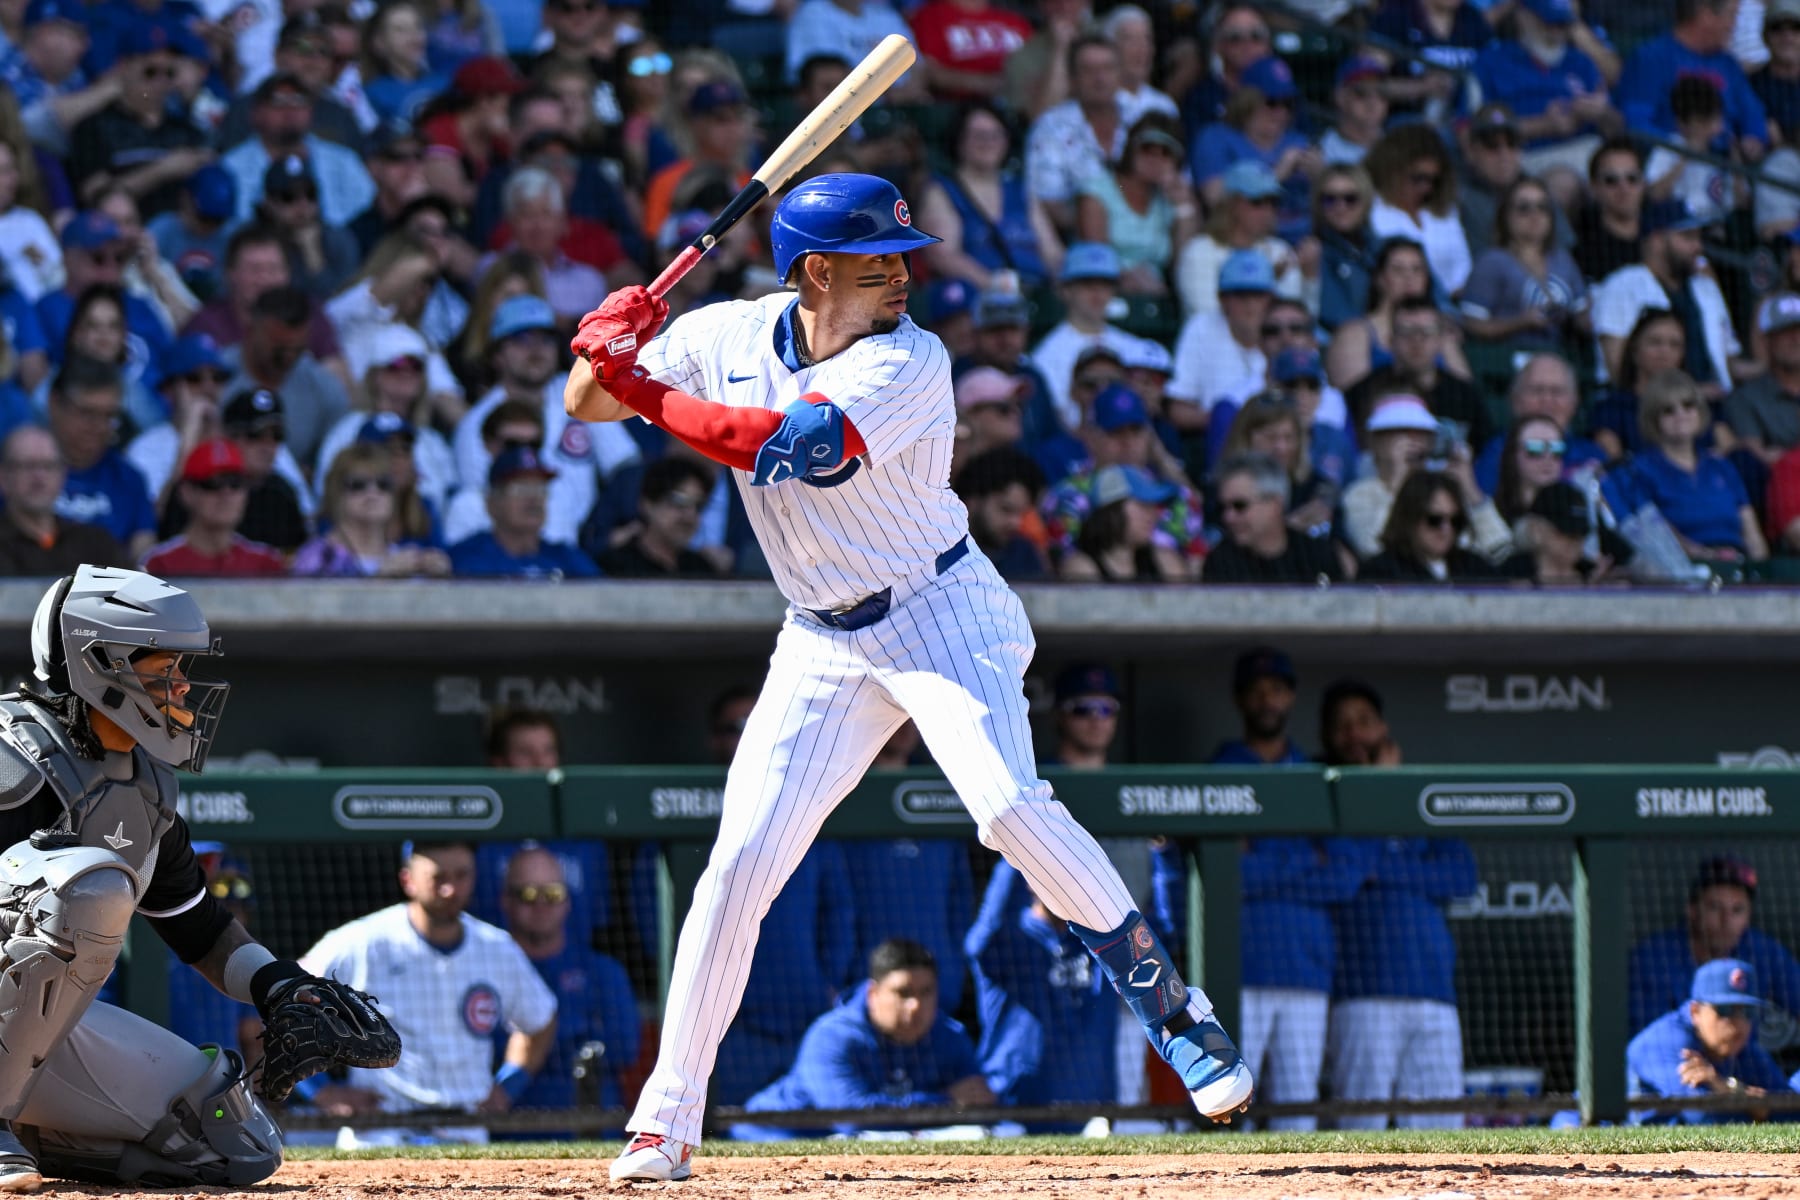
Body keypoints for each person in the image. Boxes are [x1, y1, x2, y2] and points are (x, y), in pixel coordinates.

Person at [568, 173, 1253, 1182]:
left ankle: (1174, 1012)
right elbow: (584, 402)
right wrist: (609, 339)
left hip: (941, 610)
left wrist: (631, 381)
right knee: (737, 867)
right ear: (815, 272)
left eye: (900, 255)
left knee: (1009, 808)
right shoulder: (724, 335)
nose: (900, 273)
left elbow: (782, 449)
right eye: (876, 259)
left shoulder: (912, 358)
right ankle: (664, 1120)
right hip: (820, 638)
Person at [0, 565, 399, 1187]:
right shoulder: (11, 754)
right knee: (87, 886)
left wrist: (279, 986)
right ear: (101, 664)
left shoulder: (142, 785)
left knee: (229, 1140)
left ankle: (28, 1133)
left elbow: (200, 927)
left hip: (24, 1035)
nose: (183, 686)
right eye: (166, 668)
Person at [299, 841, 556, 1143]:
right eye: (438, 878)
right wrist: (322, 1092)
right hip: (381, 1131)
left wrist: (507, 1087)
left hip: (465, 1131)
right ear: (408, 880)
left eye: (461, 875)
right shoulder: (363, 942)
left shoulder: (496, 947)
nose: (451, 889)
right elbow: (283, 1001)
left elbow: (540, 1020)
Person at [739, 940, 990, 1135]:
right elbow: (851, 1118)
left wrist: (963, 1104)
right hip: (768, 1139)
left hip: (851, 1158)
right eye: (903, 992)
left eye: (926, 992)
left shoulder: (949, 1036)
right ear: (873, 993)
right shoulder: (830, 1036)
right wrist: (947, 1102)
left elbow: (983, 1103)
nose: (915, 1005)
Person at [1328, 831, 1478, 1129]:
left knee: (1440, 1123)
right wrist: (1418, 870)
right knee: (1361, 1122)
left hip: (1433, 992)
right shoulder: (1349, 822)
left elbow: (1462, 877)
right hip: (1364, 991)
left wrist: (1382, 871)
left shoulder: (1428, 823)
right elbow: (1345, 871)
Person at [965, 863, 1118, 1111]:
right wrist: (1013, 851)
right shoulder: (1007, 940)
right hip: (1012, 1111)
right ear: (1029, 880)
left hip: (1092, 1110)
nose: (1060, 884)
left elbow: (1162, 935)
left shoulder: (1104, 941)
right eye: (1049, 871)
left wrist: (1164, 856)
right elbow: (978, 944)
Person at [498, 846, 640, 1114]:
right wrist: (576, 1033)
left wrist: (536, 1043)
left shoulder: (603, 971)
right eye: (528, 894)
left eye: (553, 894)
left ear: (568, 902)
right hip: (510, 1118)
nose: (541, 905)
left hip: (591, 1118)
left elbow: (624, 1048)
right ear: (506, 900)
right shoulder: (489, 970)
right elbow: (486, 1048)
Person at [1605, 370, 1768, 563]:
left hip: (1737, 565)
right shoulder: (1639, 470)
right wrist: (1707, 556)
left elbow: (1752, 533)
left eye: (1688, 405)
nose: (1681, 414)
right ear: (1653, 418)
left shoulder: (1722, 467)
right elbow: (1655, 531)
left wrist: (1759, 568)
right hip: (1678, 570)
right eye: (1668, 410)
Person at [1628, 856, 1800, 1038]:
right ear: (1692, 911)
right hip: (1676, 1053)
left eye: (1737, 910)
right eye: (1715, 908)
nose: (1726, 921)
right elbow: (1649, 1038)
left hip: (1743, 1054)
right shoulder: (1652, 959)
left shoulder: (1762, 951)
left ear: (1749, 915)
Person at [1595, 201, 1750, 398]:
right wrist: (1691, 393)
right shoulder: (1622, 285)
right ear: (1657, 240)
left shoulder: (1706, 287)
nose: (1698, 246)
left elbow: (1728, 364)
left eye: (1698, 237)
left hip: (1714, 401)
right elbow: (1617, 369)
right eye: (1687, 237)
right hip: (1645, 405)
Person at [1472, 0, 1620, 204]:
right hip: (1527, 156)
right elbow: (1474, 130)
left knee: (1620, 176)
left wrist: (1602, 114)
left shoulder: (1581, 61)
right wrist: (1543, 125)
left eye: (1562, 24)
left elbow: (1617, 128)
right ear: (1523, 18)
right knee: (1563, 183)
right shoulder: (1492, 61)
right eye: (1549, 23)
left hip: (1587, 149)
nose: (1557, 32)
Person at [1627, 959, 1792, 1124]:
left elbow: (1792, 1112)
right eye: (1725, 1010)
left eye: (1748, 1011)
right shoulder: (1664, 1042)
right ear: (1695, 1012)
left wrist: (1727, 1088)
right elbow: (1705, 1119)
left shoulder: (1740, 1046)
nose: (1739, 1022)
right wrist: (1755, 1109)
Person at [917, 103, 1059, 293]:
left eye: (996, 135)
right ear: (959, 141)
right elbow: (943, 256)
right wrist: (996, 286)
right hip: (978, 295)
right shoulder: (941, 191)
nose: (988, 142)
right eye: (978, 135)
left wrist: (1067, 286)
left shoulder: (1021, 190)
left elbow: (1052, 252)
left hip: (1036, 291)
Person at [1617, 0, 1770, 160]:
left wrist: (1754, 138)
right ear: (1706, 15)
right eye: (1731, 16)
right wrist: (1686, 146)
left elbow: (1752, 113)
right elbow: (1636, 124)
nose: (1733, 26)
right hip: (1670, 162)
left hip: (1724, 162)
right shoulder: (1651, 58)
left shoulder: (1728, 65)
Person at [219, 73, 374, 228]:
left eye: (299, 100)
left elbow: (365, 215)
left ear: (311, 110)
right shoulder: (230, 167)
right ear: (256, 113)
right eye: (278, 101)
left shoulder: (344, 160)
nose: (290, 110)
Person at [1459, 175, 1591, 356]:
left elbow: (1582, 313)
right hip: (1508, 358)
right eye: (1524, 208)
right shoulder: (1492, 261)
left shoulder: (1563, 259)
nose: (1535, 215)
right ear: (1506, 216)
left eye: (1542, 207)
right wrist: (1520, 322)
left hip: (1559, 356)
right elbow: (1471, 323)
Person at [46, 356, 158, 562]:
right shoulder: (20, 470)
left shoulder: (129, 480)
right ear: (54, 403)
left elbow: (142, 556)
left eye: (108, 416)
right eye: (86, 413)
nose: (98, 426)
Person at [1326, 238, 1470, 393]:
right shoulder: (1355, 333)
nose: (1409, 278)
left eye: (1417, 270)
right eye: (1398, 270)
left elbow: (1464, 392)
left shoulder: (1442, 332)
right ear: (1380, 278)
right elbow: (1354, 396)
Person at [291, 441, 453, 578]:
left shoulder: (403, 558)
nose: (372, 493)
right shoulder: (316, 557)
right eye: (358, 484)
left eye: (383, 484)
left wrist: (440, 580)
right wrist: (379, 579)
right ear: (337, 493)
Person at [1344, 298, 1492, 448]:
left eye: (1427, 332)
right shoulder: (1362, 393)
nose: (1417, 341)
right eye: (1406, 332)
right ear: (1391, 340)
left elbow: (1486, 451)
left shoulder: (1465, 396)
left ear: (1440, 340)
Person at [1029, 242, 1147, 429]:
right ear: (1065, 290)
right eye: (1087, 284)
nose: (1097, 292)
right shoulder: (1047, 355)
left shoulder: (1135, 346)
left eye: (1105, 284)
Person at [1025, 33, 1128, 240]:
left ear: (1120, 74)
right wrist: (1101, 227)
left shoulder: (1144, 116)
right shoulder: (1050, 127)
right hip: (1079, 240)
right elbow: (1048, 202)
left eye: (1108, 68)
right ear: (1072, 79)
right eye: (1089, 70)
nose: (1100, 79)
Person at [448, 444, 600, 580]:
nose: (534, 499)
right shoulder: (464, 559)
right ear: (492, 504)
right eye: (521, 489)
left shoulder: (567, 558)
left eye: (540, 489)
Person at [1175, 160, 1304, 321]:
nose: (1267, 211)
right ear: (1231, 204)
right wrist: (1268, 278)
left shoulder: (1280, 251)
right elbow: (1207, 314)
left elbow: (1292, 317)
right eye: (1257, 202)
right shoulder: (1199, 251)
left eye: (1273, 203)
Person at [141, 439, 289, 578]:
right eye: (212, 483)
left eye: (235, 483)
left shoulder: (267, 562)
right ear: (187, 492)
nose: (226, 493)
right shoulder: (159, 563)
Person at [1166, 250, 1275, 431]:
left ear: (1271, 299)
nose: (1250, 304)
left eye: (1258, 295)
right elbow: (1178, 409)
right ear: (1222, 299)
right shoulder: (1201, 327)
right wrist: (1227, 420)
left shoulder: (1286, 329)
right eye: (1240, 295)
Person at [1472, 353, 1608, 494]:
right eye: (1537, 390)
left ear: (1574, 402)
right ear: (1515, 400)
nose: (1547, 400)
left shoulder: (1592, 455)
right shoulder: (1498, 451)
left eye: (1557, 392)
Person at [0, 423, 126, 574]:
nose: (39, 477)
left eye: (48, 466)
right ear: (3, 477)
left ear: (63, 475)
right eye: (28, 466)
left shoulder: (96, 544)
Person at [1202, 451, 1345, 583]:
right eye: (1223, 507)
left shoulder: (1317, 555)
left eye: (1239, 506)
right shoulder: (1219, 563)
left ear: (1275, 504)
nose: (1228, 517)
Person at [1365, 125, 1472, 298]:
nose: (1426, 188)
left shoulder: (1444, 212)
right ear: (1391, 171)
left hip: (1453, 303)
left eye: (1433, 180)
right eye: (1418, 178)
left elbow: (1462, 265)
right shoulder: (1372, 209)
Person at [1360, 469, 1514, 582]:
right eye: (1434, 520)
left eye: (1455, 521)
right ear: (1409, 518)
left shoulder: (1475, 568)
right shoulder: (1380, 571)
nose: (1446, 529)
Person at [1054, 463, 1188, 582]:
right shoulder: (1082, 568)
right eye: (1143, 505)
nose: (1153, 515)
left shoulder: (1165, 563)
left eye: (1154, 507)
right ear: (1112, 512)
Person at [597, 457, 724, 578]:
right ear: (648, 504)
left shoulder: (702, 569)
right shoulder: (616, 567)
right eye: (679, 502)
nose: (690, 516)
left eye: (699, 506)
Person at [1591, 308, 1688, 458]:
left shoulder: (1694, 407)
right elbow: (1614, 462)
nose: (1665, 352)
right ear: (1635, 351)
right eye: (1655, 342)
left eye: (1674, 344)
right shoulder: (1611, 409)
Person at [953, 447, 1051, 581]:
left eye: (1021, 513)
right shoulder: (939, 552)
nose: (1016, 523)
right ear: (972, 502)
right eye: (1005, 509)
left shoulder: (1023, 554)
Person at [1725, 291, 1800, 466]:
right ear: (1766, 341)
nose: (1796, 339)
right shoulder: (1745, 398)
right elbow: (1757, 460)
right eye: (1786, 331)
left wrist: (1782, 454)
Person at [1515, 478, 1634, 583]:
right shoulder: (1513, 576)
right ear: (1537, 531)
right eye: (1565, 531)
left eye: (1581, 532)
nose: (1575, 540)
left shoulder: (1593, 573)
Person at [1212, 646, 1308, 764]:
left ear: (1291, 696)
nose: (1267, 700)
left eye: (1277, 690)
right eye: (1255, 690)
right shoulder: (1222, 766)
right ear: (1238, 699)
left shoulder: (1306, 766)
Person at [1572, 137, 1648, 284]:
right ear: (1593, 188)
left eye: (1632, 178)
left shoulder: (1662, 236)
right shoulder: (1584, 252)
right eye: (1611, 180)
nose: (1624, 188)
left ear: (1643, 184)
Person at [1315, 164, 1379, 334]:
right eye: (1330, 199)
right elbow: (1336, 316)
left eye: (1350, 199)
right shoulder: (1316, 253)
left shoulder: (1384, 248)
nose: (1340, 207)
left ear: (1366, 202)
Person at [1319, 678, 1403, 766]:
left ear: (1383, 727)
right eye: (1341, 724)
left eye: (1364, 722)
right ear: (1325, 734)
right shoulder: (1310, 769)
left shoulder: (1409, 773)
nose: (1354, 734)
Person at [1322, 56, 1390, 166]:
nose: (1373, 102)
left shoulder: (1398, 146)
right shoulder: (1321, 151)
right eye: (1361, 92)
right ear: (1340, 97)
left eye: (1381, 92)